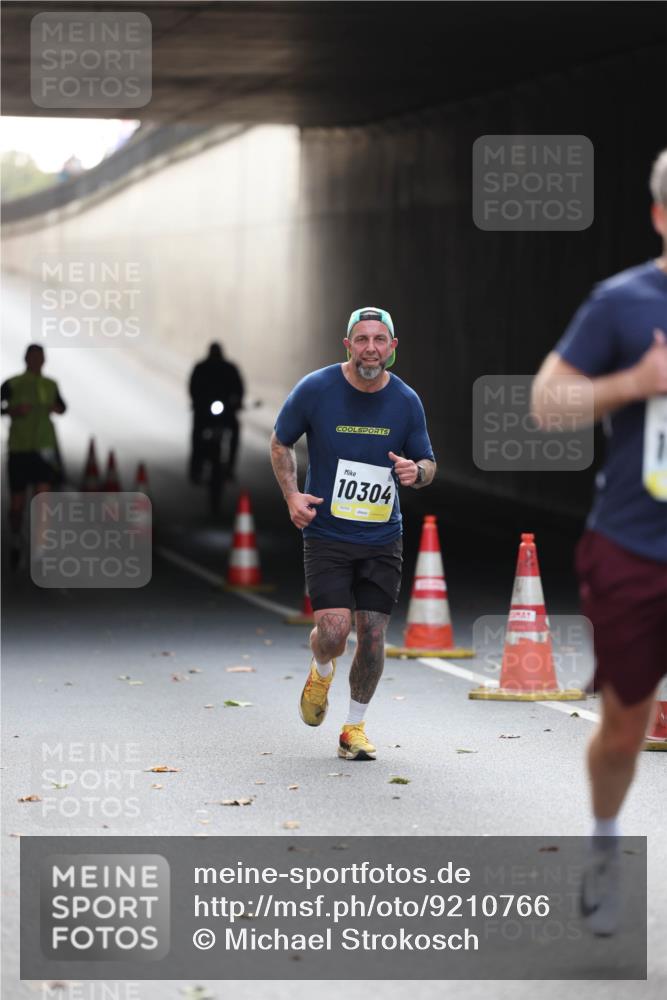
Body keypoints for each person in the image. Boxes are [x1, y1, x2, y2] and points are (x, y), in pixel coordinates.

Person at [531, 149, 667, 935]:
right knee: (624, 728)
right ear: (657, 216)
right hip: (634, 548)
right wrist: (632, 384)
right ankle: (605, 847)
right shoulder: (621, 303)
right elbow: (546, 403)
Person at [270, 307, 436, 760]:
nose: (370, 348)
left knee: (374, 634)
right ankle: (321, 668)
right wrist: (292, 497)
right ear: (348, 345)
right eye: (361, 339)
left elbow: (427, 463)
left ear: (392, 348)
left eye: (379, 340)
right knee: (335, 630)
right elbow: (280, 440)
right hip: (327, 532)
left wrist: (413, 471)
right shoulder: (317, 388)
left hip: (383, 537)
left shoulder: (405, 401)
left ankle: (354, 728)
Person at [1, 344, 67, 570]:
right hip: (19, 449)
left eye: (40, 357)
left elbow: (62, 407)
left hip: (44, 448)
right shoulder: (13, 384)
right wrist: (13, 411)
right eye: (33, 357)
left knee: (43, 502)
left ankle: (40, 547)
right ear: (26, 359)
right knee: (17, 505)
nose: (37, 361)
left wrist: (55, 408)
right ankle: (16, 537)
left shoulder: (51, 385)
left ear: (45, 360)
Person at [188, 342, 244, 484]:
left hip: (225, 410)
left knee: (235, 431)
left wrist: (237, 402)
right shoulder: (201, 368)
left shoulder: (229, 369)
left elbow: (239, 388)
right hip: (204, 409)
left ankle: (230, 467)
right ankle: (196, 467)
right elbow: (193, 388)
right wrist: (197, 402)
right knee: (197, 435)